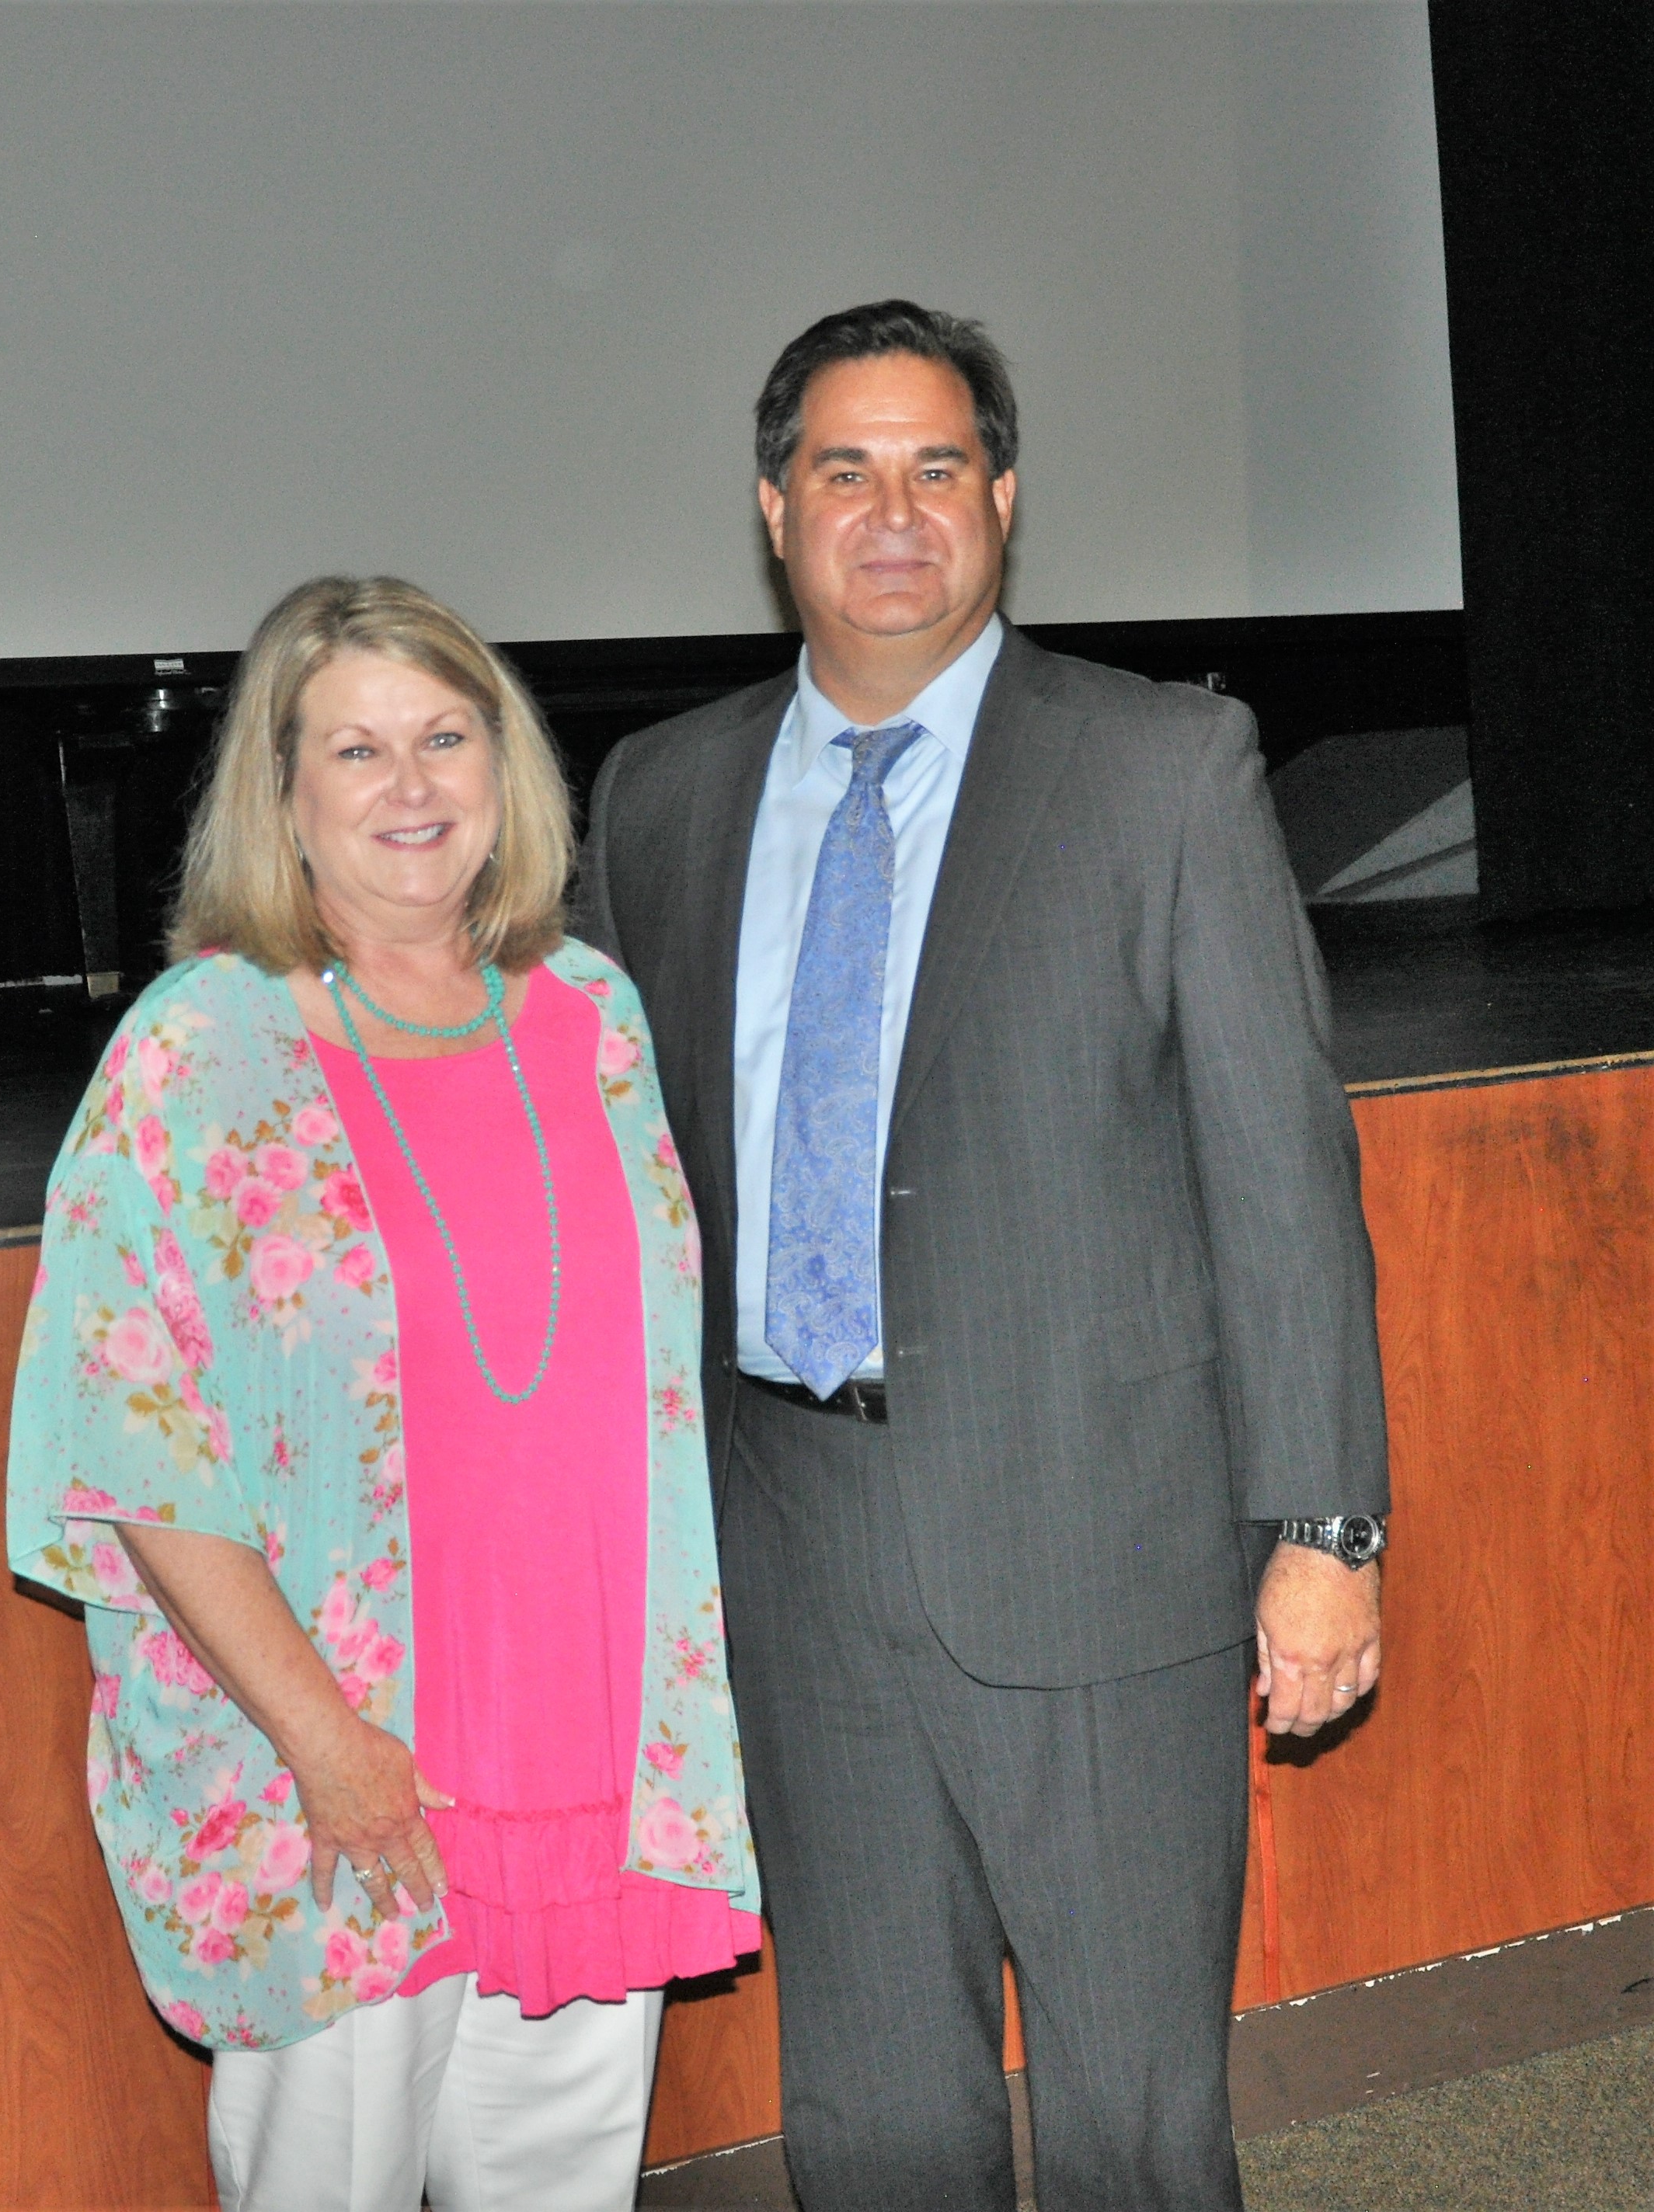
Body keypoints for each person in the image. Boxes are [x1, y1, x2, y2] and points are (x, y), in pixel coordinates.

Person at [573, 301, 1390, 2212]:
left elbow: (1282, 1170)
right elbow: (607, 1167)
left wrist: (1328, 1529)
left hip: (1098, 1550)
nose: (893, 511)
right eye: (844, 469)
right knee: (869, 2116)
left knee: (1130, 2117)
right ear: (774, 509)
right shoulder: (660, 800)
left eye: (939, 467)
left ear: (1003, 500)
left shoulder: (1163, 769)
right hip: (787, 1547)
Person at [7, 576, 759, 2212]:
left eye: (444, 737)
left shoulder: (595, 1014)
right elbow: (128, 1453)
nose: (411, 786)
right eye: (356, 750)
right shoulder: (197, 1052)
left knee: (560, 2186)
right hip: (344, 1764)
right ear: (283, 797)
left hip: (585, 1742)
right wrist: (327, 1742)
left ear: (507, 769)